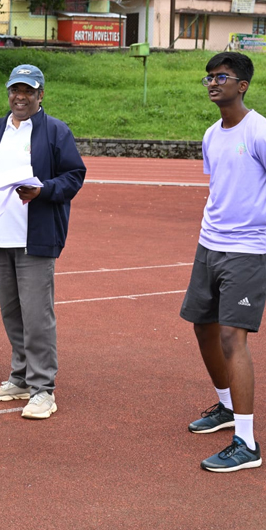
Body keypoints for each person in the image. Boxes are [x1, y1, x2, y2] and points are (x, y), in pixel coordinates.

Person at [0, 65, 85, 420]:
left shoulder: (55, 131)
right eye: (15, 90)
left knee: (37, 315)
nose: (20, 97)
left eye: (28, 91)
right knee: (13, 313)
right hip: (1, 235)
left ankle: (43, 388)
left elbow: (74, 175)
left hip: (37, 236)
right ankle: (20, 377)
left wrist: (44, 190)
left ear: (40, 95)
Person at [180, 52, 264, 472]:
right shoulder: (212, 134)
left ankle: (247, 443)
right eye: (209, 77)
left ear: (242, 85)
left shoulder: (260, 131)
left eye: (222, 77)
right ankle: (228, 407)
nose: (213, 83)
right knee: (203, 327)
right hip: (209, 244)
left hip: (248, 250)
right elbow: (219, 188)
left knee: (233, 337)